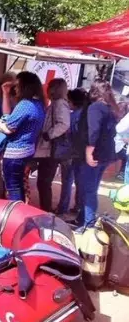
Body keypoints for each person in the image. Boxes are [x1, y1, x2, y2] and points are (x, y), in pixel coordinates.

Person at [0, 72, 46, 202]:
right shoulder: (38, 104)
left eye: (17, 84)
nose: (15, 87)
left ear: (25, 86)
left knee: (13, 189)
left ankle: (15, 216)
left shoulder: (25, 105)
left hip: (15, 154)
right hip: (26, 152)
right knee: (18, 187)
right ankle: (19, 212)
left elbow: (8, 127)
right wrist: (5, 94)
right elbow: (8, 117)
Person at [76, 79, 120, 226]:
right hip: (106, 155)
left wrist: (89, 152)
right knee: (92, 189)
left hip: (95, 155)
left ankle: (88, 225)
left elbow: (93, 131)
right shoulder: (110, 109)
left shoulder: (95, 107)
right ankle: (84, 220)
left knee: (89, 190)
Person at [33, 78, 71, 212]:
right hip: (48, 150)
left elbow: (64, 124)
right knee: (43, 182)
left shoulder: (60, 104)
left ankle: (46, 211)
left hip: (51, 150)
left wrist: (49, 134)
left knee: (44, 182)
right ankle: (45, 210)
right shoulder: (55, 103)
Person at [56, 87, 88, 216]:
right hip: (82, 154)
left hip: (69, 153)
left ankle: (62, 208)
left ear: (73, 102)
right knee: (80, 183)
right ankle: (78, 207)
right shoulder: (87, 115)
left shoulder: (71, 116)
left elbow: (67, 135)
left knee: (67, 182)